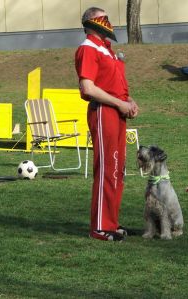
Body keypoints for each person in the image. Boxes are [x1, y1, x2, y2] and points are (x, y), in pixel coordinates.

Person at [75, 7, 139, 242]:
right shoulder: (88, 49)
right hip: (103, 112)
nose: (108, 22)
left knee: (116, 169)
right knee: (106, 168)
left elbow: (116, 84)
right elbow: (88, 88)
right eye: (103, 18)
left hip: (117, 112)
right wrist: (117, 104)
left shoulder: (108, 51)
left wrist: (129, 101)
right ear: (91, 22)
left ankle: (110, 221)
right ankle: (100, 226)